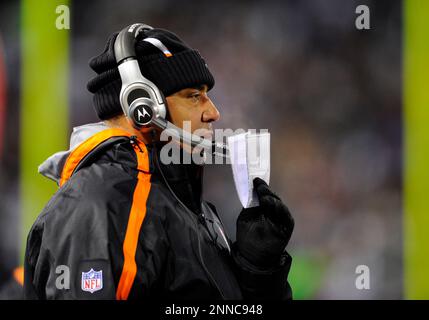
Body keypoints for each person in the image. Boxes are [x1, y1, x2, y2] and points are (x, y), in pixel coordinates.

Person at [24, 24, 294, 300]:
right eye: (194, 96)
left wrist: (256, 274)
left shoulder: (176, 202)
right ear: (142, 107)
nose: (213, 113)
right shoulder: (103, 204)